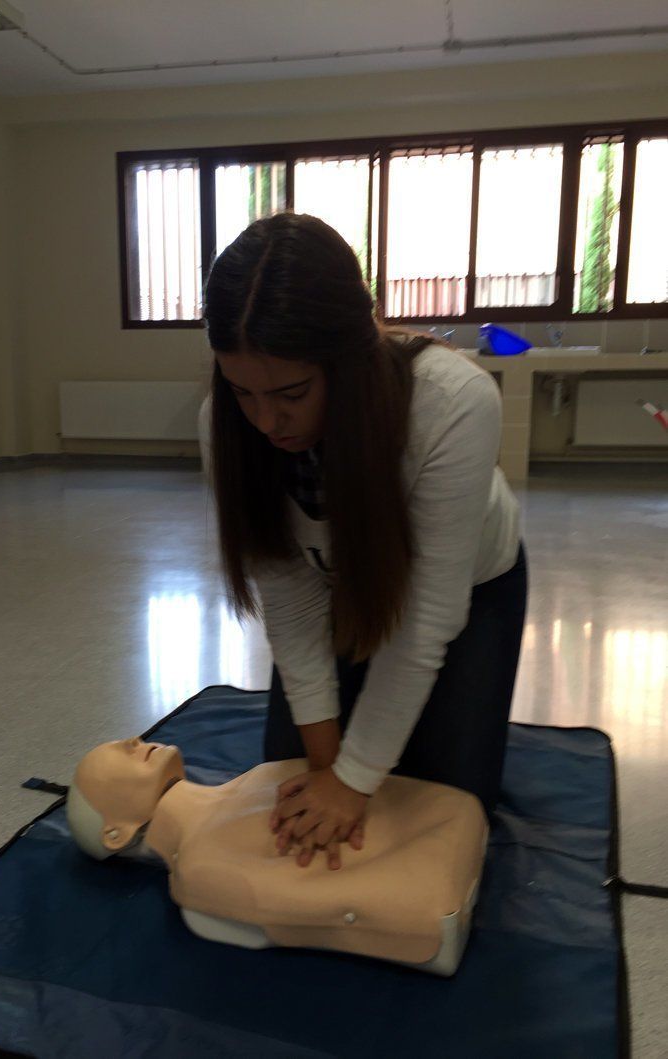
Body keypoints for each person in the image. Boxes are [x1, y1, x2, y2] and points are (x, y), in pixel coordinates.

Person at [199, 211, 527, 872]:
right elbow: (291, 605)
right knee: (292, 785)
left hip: (469, 589)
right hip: (338, 589)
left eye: (291, 392)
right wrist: (328, 769)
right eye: (243, 392)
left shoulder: (452, 400)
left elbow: (427, 616)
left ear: (346, 360)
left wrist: (354, 780)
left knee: (446, 806)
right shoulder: (226, 427)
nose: (266, 421)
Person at [66, 735, 488, 975]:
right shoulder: (199, 873)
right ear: (114, 833)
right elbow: (330, 904)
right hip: (438, 878)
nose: (132, 740)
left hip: (442, 839)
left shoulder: (258, 777)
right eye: (116, 756)